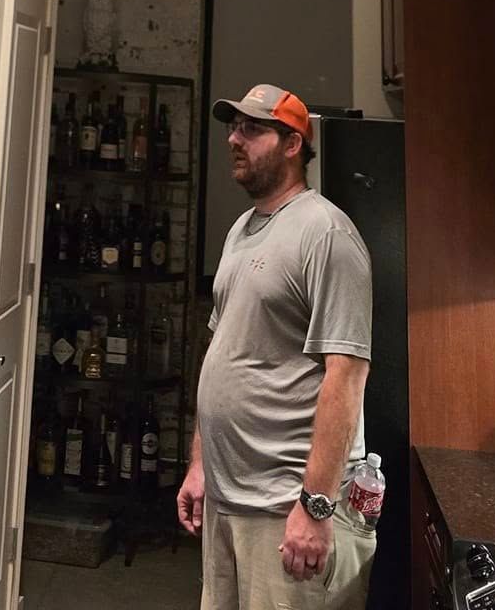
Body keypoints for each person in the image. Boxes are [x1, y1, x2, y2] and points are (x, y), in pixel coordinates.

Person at [178, 83, 374, 609]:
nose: (234, 140)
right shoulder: (242, 230)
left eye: (251, 128)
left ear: (293, 144)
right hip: (230, 496)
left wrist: (315, 507)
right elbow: (225, 355)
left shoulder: (326, 234)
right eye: (232, 128)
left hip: (285, 506)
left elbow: (346, 376)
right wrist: (201, 466)